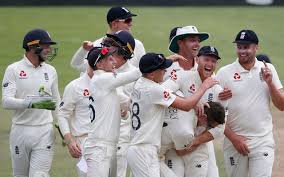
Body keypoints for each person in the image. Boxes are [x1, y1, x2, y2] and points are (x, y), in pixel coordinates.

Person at [126, 53, 218, 177]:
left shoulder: (140, 83)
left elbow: (147, 70)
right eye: (162, 68)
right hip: (144, 151)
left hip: (144, 149)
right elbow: (186, 106)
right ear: (152, 74)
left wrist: (165, 59)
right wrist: (204, 86)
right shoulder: (154, 90)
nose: (165, 71)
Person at [216, 29, 284, 177]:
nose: (242, 51)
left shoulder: (268, 69)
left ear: (256, 47)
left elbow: (282, 105)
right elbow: (214, 114)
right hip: (234, 143)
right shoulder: (224, 73)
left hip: (262, 140)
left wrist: (270, 83)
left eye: (246, 47)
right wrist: (234, 139)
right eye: (239, 47)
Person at [1, 29, 60, 177]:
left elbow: (57, 102)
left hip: (44, 131)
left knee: (39, 174)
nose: (49, 50)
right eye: (45, 46)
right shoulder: (14, 69)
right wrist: (31, 103)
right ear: (33, 47)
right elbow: (6, 101)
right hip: (21, 131)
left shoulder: (51, 71)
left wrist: (66, 131)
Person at [163, 46, 228, 177]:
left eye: (213, 61)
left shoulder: (217, 90)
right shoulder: (182, 76)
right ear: (197, 59)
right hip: (174, 146)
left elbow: (221, 126)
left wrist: (194, 142)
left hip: (198, 147)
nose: (210, 64)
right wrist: (191, 101)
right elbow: (163, 92)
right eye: (207, 59)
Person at [83, 47, 141, 177]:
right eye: (109, 59)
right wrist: (159, 61)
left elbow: (128, 104)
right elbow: (133, 75)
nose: (114, 61)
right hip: (98, 148)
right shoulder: (101, 79)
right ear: (99, 64)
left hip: (108, 146)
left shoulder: (108, 87)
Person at [57, 46, 103, 176]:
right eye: (108, 61)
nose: (113, 64)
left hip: (107, 141)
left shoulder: (111, 84)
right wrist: (69, 140)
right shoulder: (75, 86)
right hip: (85, 142)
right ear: (98, 64)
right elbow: (63, 114)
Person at [71, 6, 145, 72]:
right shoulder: (96, 46)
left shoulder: (137, 45)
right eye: (127, 21)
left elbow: (143, 72)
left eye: (131, 20)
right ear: (114, 24)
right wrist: (83, 50)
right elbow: (77, 65)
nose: (130, 24)